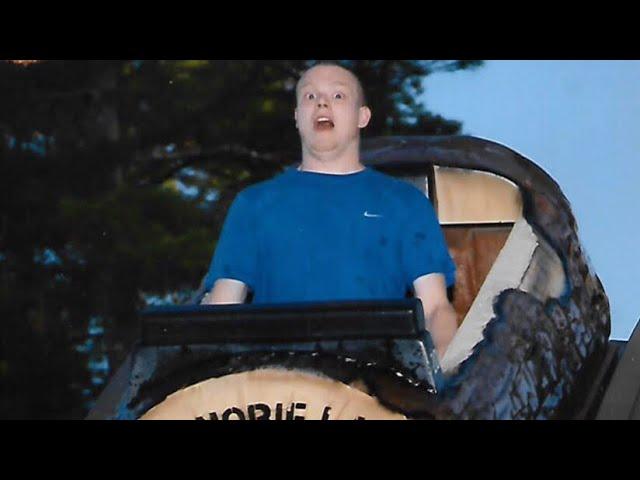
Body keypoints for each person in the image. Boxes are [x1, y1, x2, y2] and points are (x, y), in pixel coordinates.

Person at [201, 63, 459, 358]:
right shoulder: (253, 204)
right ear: (297, 117)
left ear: (362, 116)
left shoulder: (406, 203)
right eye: (310, 97)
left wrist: (443, 378)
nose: (322, 102)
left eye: (338, 96)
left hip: (378, 384)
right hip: (275, 388)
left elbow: (436, 308)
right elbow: (222, 308)